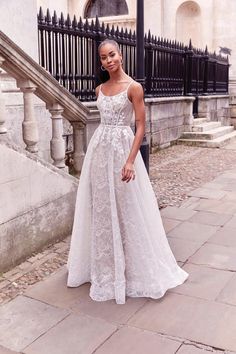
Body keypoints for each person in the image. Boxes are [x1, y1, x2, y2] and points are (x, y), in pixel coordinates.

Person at [67, 39, 188, 304]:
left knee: (127, 207)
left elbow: (141, 126)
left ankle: (132, 267)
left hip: (123, 150)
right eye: (103, 57)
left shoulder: (134, 88)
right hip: (99, 153)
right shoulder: (99, 89)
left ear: (120, 55)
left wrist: (131, 161)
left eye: (112, 55)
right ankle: (105, 267)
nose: (108, 61)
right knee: (101, 207)